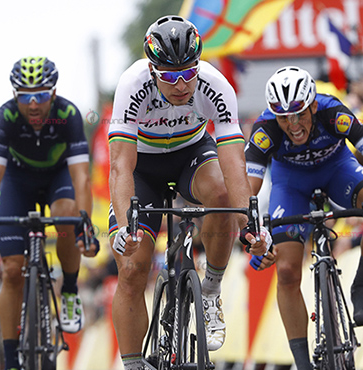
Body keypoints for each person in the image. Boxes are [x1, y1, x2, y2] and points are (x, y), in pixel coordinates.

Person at [108, 15, 272, 370]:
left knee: (221, 194)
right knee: (133, 268)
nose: (182, 84)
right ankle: (135, 364)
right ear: (152, 71)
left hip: (191, 156)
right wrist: (125, 227)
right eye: (170, 76)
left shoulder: (215, 83)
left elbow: (233, 162)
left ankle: (211, 290)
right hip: (142, 169)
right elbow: (120, 164)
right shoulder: (131, 85)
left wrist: (252, 223)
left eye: (188, 72)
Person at [245, 65, 363, 369]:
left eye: (299, 113)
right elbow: (246, 193)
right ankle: (302, 364)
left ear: (313, 104)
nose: (293, 124)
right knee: (285, 271)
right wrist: (253, 234)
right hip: (291, 184)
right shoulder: (265, 129)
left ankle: (361, 286)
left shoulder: (332, 111)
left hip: (337, 169)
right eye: (283, 117)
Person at [0, 56, 100, 370]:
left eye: (41, 94)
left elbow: (81, 176)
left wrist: (85, 224)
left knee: (67, 214)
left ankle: (68, 288)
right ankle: (12, 360)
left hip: (58, 178)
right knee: (12, 270)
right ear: (15, 96)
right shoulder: (5, 117)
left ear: (53, 93)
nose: (34, 104)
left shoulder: (68, 115)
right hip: (18, 181)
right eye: (25, 96)